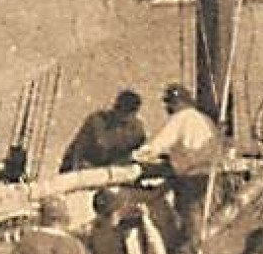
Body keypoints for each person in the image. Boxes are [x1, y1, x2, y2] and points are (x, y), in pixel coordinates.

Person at [133, 83, 222, 243]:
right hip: (213, 179)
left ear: (176, 103)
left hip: (192, 180)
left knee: (192, 225)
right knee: (210, 224)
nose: (168, 108)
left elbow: (156, 146)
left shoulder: (181, 118)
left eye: (169, 103)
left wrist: (136, 156)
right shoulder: (205, 120)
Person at [59, 90, 146, 172]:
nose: (122, 117)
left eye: (128, 114)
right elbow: (78, 150)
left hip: (112, 171)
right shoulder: (97, 121)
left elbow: (142, 153)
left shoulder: (136, 130)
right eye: (120, 110)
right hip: (83, 166)